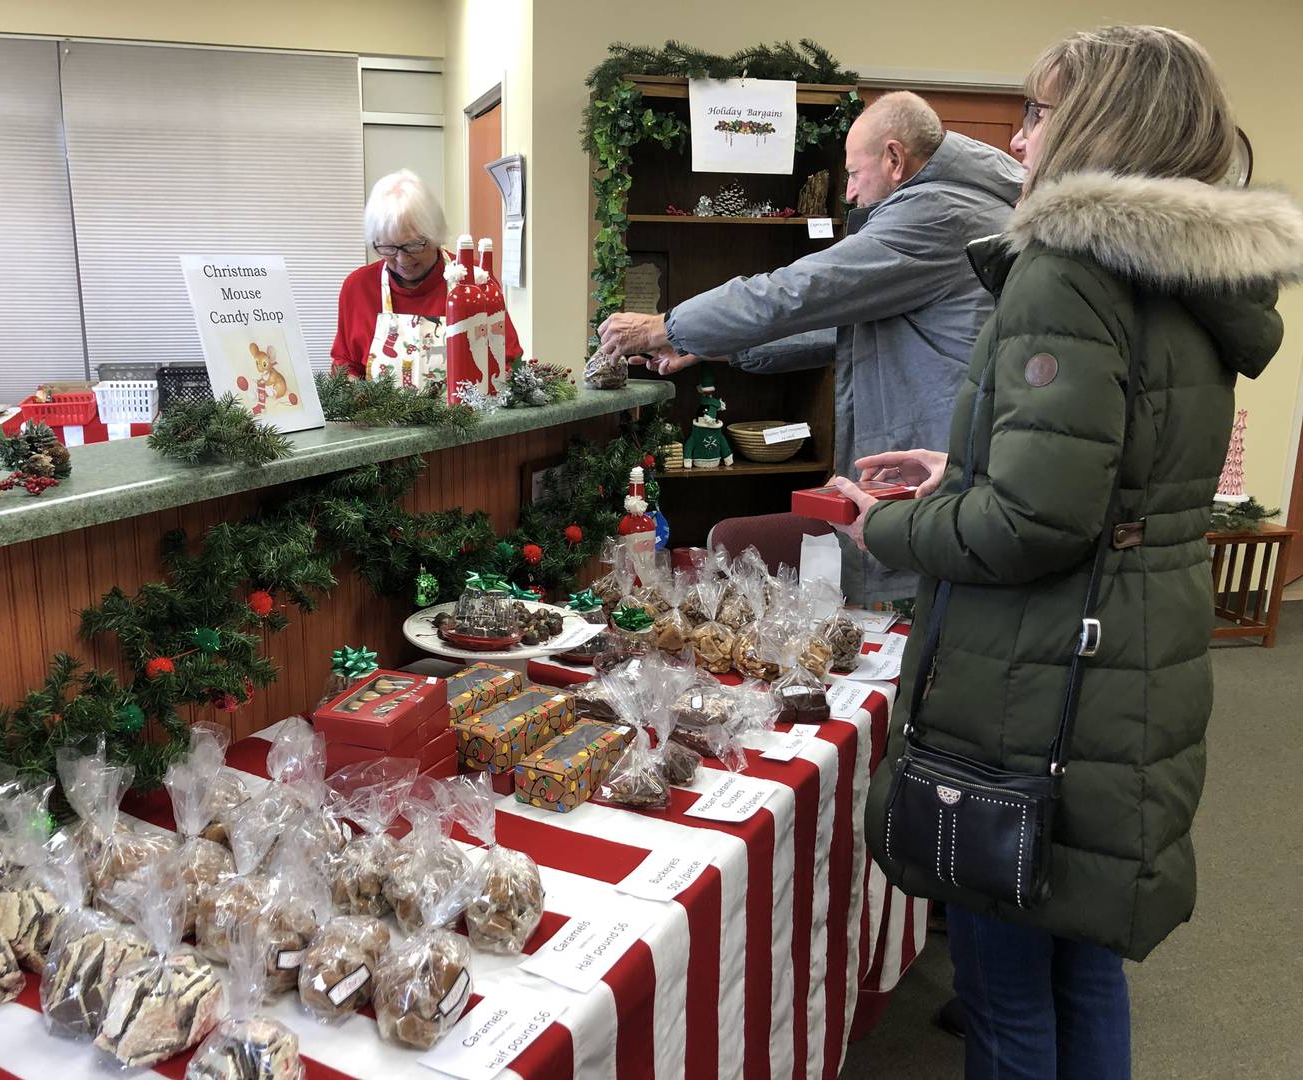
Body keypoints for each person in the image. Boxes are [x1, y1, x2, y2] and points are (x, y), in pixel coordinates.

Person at [828, 26, 1303, 1080]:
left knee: (1007, 997)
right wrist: (961, 466)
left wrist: (887, 524)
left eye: (1036, 112)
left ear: (1094, 125)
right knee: (1084, 966)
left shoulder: (1067, 269)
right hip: (1130, 661)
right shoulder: (1182, 274)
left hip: (1037, 685)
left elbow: (1036, 521)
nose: (1020, 133)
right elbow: (1115, 473)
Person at [597, 92, 1023, 606]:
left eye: (854, 174)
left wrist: (664, 326)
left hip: (930, 467)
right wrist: (713, 347)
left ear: (894, 158)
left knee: (921, 621)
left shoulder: (935, 214)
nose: (849, 192)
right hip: (937, 459)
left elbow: (796, 291)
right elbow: (849, 327)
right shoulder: (956, 201)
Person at [330, 169, 522, 382]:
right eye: (388, 247)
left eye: (413, 245)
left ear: (436, 235)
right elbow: (346, 365)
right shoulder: (358, 287)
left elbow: (507, 359)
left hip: (464, 413)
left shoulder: (475, 281)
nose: (402, 260)